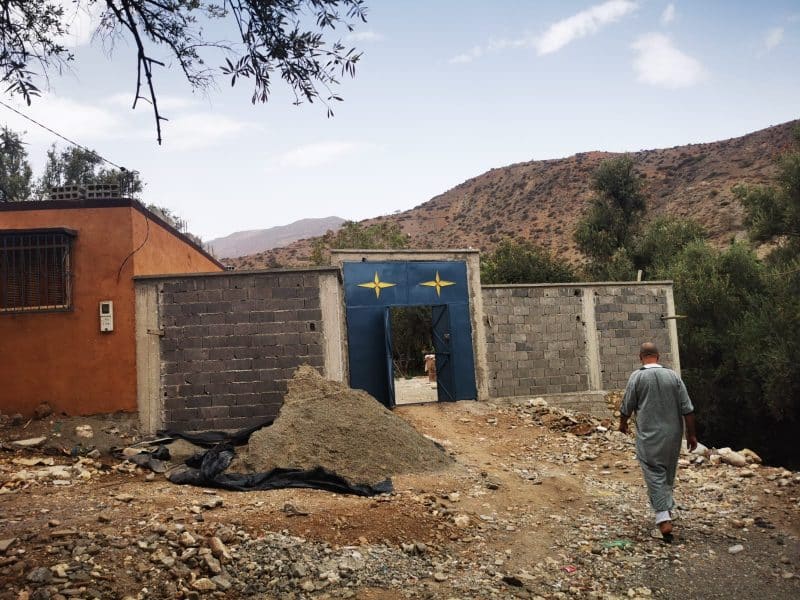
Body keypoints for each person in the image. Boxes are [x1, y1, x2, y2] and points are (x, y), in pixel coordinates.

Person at [618, 342, 697, 538]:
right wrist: (691, 434)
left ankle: (663, 519)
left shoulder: (637, 377)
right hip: (673, 435)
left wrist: (623, 424)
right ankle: (667, 509)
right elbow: (687, 409)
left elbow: (626, 406)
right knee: (667, 472)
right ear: (658, 356)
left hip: (649, 436)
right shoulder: (673, 376)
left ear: (640, 357)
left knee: (653, 472)